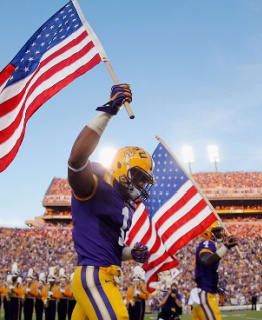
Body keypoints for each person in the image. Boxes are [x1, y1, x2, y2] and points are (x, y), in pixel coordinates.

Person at [67, 84, 152, 320]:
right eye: (139, 177)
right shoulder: (97, 185)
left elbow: (111, 247)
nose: (142, 185)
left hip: (105, 272)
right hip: (94, 274)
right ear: (120, 168)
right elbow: (75, 161)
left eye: (145, 181)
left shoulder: (129, 204)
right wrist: (108, 112)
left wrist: (130, 253)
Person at [191, 222, 238, 320]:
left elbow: (206, 271)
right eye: (216, 231)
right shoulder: (207, 243)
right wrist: (226, 247)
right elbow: (206, 261)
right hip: (205, 295)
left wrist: (215, 289)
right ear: (208, 233)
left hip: (205, 293)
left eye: (219, 231)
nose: (220, 234)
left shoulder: (210, 245)